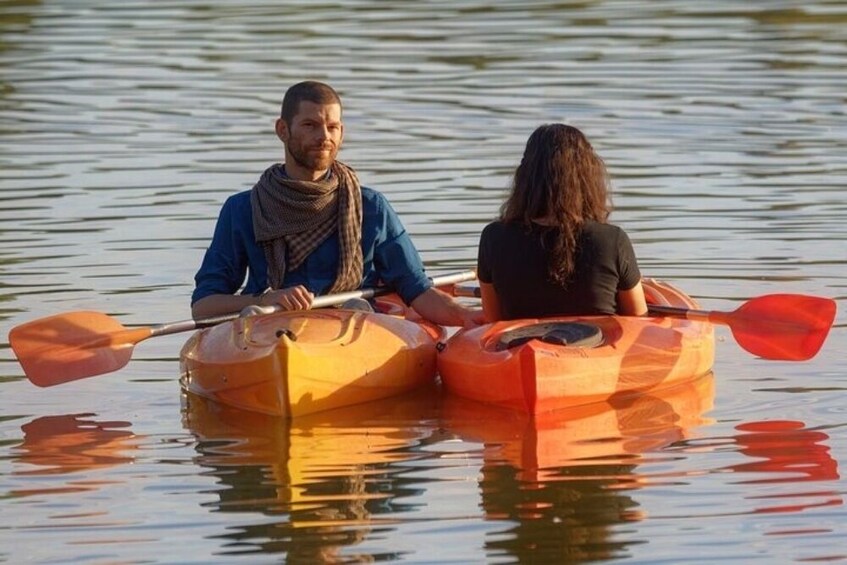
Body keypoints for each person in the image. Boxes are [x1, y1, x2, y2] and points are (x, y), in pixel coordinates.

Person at [191, 80, 482, 327]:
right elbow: (203, 306)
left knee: (357, 306)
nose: (324, 137)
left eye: (332, 126)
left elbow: (416, 289)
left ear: (342, 131)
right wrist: (264, 299)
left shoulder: (371, 206)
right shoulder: (242, 209)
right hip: (270, 328)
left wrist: (470, 319)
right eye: (310, 125)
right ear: (282, 130)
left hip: (355, 326)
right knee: (254, 314)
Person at [477, 123, 648, 321]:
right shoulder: (611, 240)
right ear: (587, 177)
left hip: (519, 349)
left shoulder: (494, 237)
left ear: (524, 176)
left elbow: (492, 320)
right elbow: (639, 321)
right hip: (598, 349)